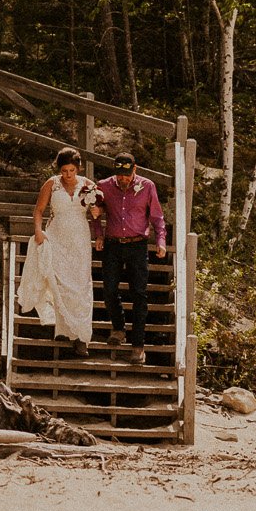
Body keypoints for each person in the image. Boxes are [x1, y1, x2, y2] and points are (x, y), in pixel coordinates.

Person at [16, 146, 96, 355]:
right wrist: (38, 231)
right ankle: (62, 328)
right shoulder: (52, 184)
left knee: (79, 284)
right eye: (64, 171)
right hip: (57, 235)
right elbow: (39, 210)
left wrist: (95, 204)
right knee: (59, 280)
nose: (68, 175)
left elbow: (97, 213)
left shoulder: (88, 185)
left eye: (71, 170)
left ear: (78, 168)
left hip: (79, 236)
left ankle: (81, 336)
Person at [91, 149, 166, 364]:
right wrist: (98, 232)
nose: (123, 179)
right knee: (109, 289)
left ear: (135, 170)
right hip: (113, 245)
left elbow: (158, 217)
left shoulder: (148, 186)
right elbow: (95, 209)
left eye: (127, 174)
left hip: (137, 245)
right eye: (119, 174)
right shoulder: (104, 186)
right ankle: (118, 328)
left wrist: (160, 241)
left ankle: (138, 347)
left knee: (139, 294)